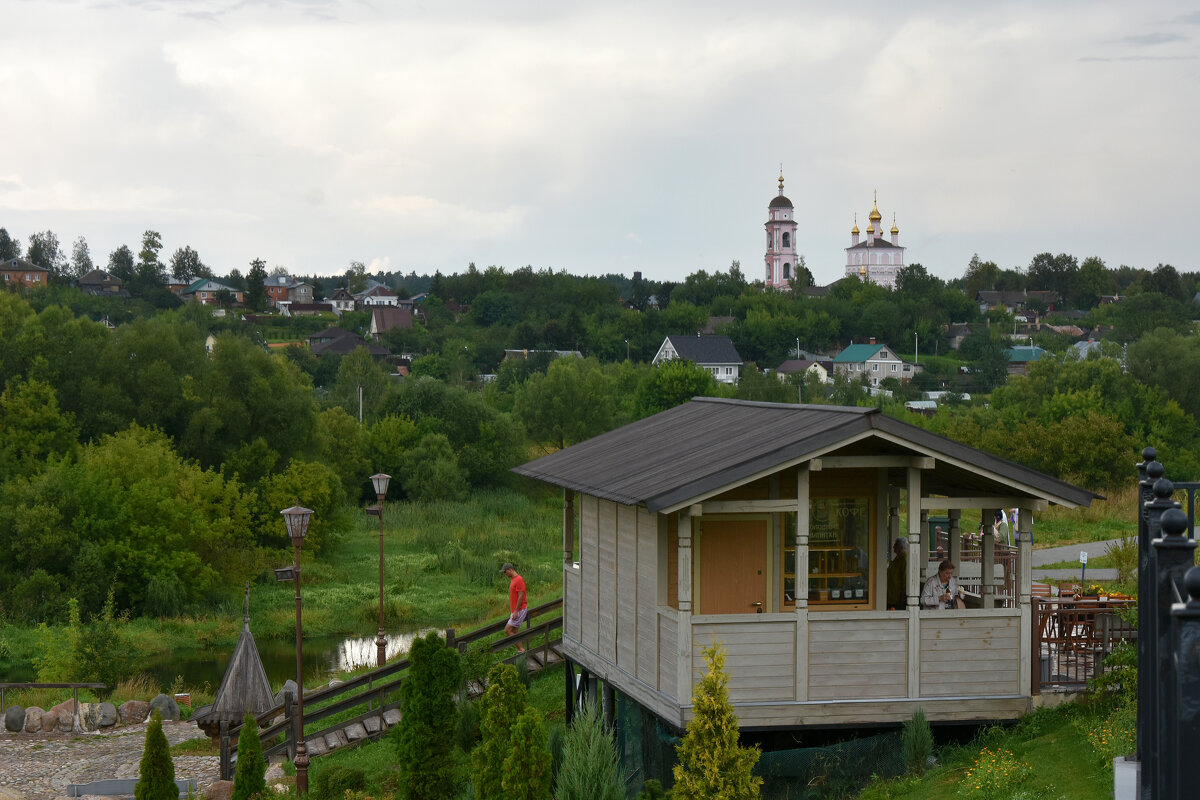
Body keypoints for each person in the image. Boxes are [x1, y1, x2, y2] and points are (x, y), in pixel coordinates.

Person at [501, 562, 528, 652]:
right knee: (514, 631)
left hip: (519, 610)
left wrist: (516, 611)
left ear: (510, 570)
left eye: (505, 572)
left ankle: (521, 649)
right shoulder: (514, 579)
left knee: (507, 630)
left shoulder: (519, 580)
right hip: (516, 610)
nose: (505, 574)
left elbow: (521, 595)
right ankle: (520, 651)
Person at [886, 537, 908, 609]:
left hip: (897, 599)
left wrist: (903, 596)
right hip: (891, 596)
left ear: (900, 547)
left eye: (895, 545)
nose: (893, 547)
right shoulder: (897, 558)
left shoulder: (904, 560)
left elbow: (905, 579)